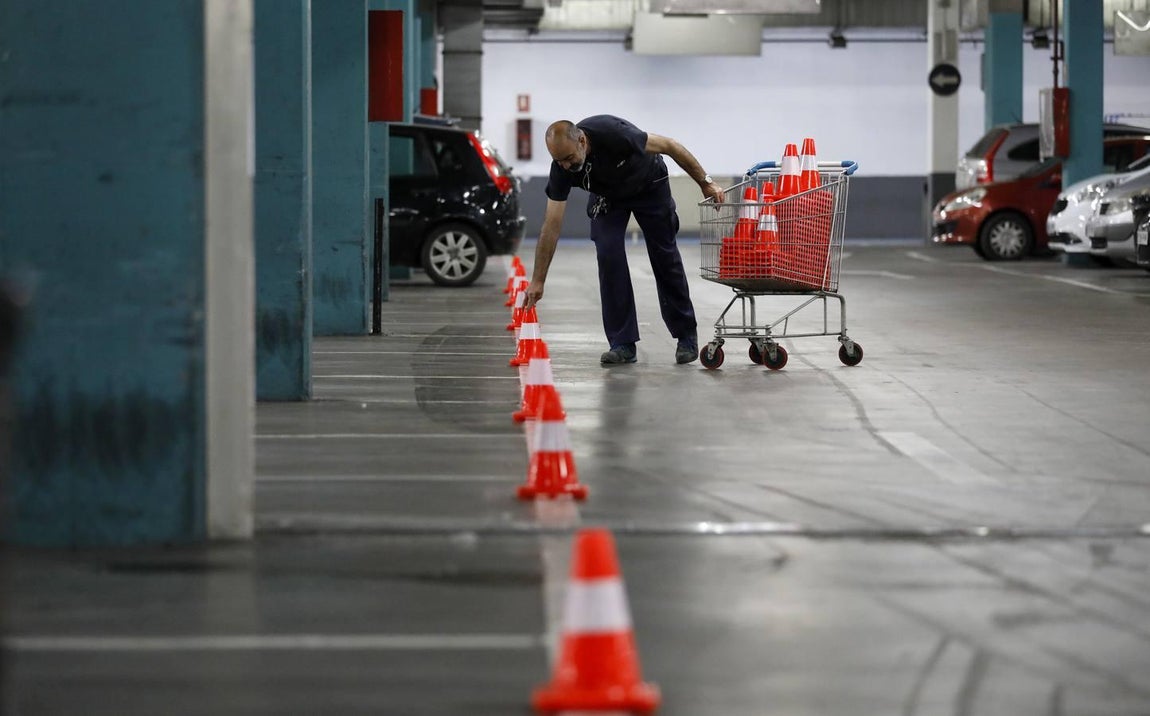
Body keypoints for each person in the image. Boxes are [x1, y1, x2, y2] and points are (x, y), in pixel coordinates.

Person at [523, 115, 724, 365]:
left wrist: (706, 183)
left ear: (582, 141)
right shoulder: (561, 168)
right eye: (558, 161)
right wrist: (538, 280)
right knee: (608, 254)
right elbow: (551, 225)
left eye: (569, 158)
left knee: (664, 255)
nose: (565, 165)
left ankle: (686, 336)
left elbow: (670, 146)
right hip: (608, 197)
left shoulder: (616, 134)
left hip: (649, 184)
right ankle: (622, 343)